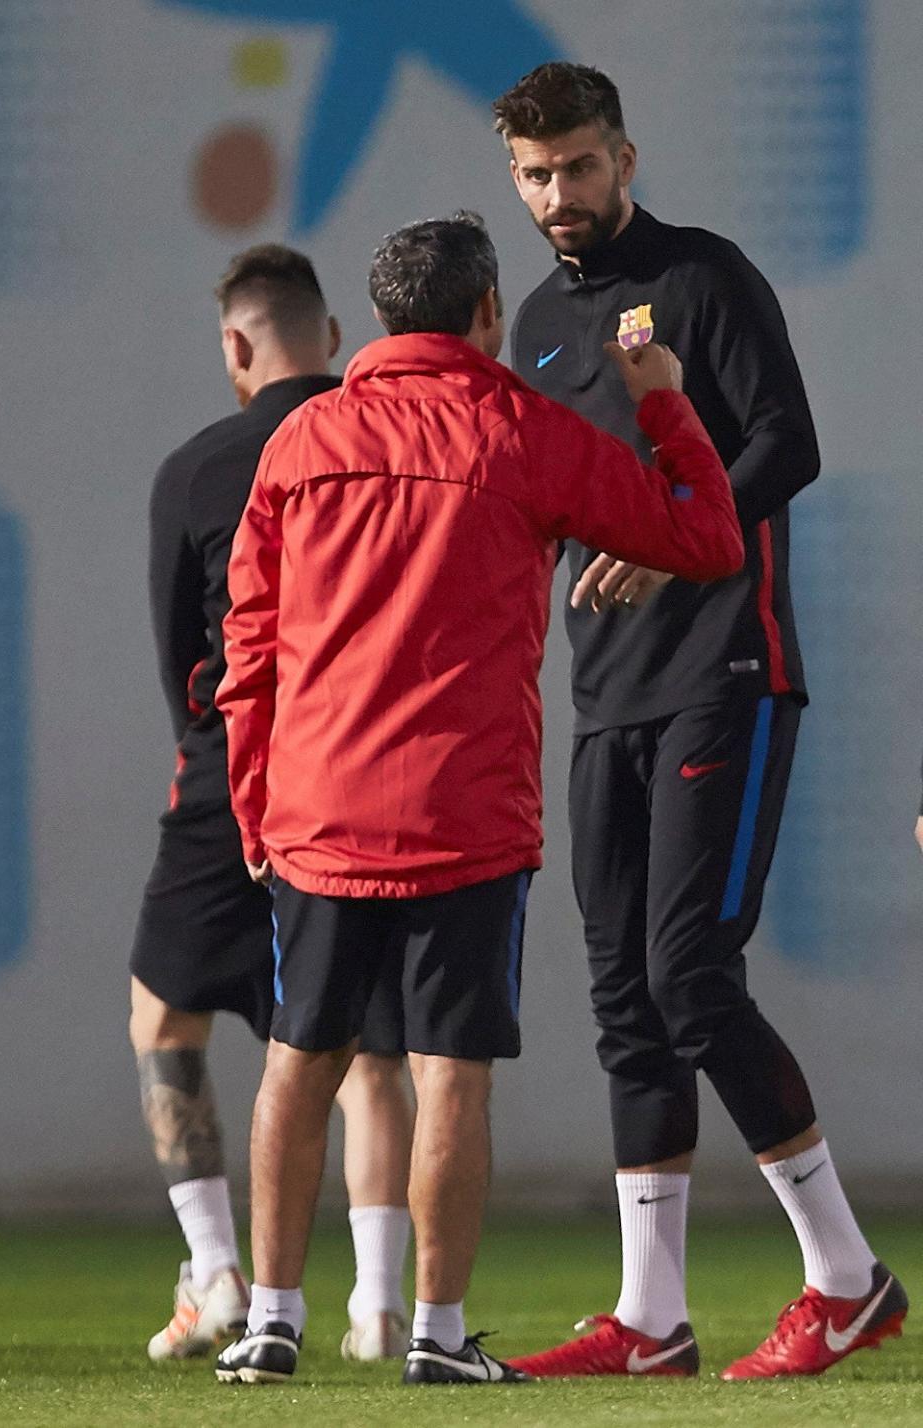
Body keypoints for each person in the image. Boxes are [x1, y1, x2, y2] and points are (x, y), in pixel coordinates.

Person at [211, 210, 743, 1389]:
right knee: (452, 1073)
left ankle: (269, 1322)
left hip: (319, 806)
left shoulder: (301, 447)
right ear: (489, 314)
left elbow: (248, 644)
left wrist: (255, 798)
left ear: (387, 317)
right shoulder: (525, 433)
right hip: (465, 810)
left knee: (299, 1060)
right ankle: (438, 1339)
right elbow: (708, 538)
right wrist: (660, 395)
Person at [492, 61, 908, 1381]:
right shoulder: (541, 337)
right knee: (626, 998)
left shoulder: (707, 280)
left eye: (579, 166)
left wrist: (677, 542)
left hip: (728, 664)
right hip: (606, 687)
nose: (560, 193)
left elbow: (789, 444)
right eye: (536, 174)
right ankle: (650, 1320)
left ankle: (846, 1280)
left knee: (688, 976)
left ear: (625, 156)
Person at [129, 244, 414, 1364]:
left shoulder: (200, 468)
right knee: (369, 1053)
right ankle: (382, 1301)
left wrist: (212, 767)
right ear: (334, 336)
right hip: (367, 776)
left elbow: (177, 658)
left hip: (229, 776)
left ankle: (213, 1273)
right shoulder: (386, 447)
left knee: (165, 1020)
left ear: (237, 348)